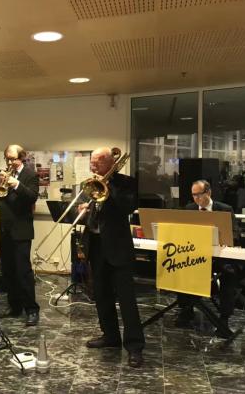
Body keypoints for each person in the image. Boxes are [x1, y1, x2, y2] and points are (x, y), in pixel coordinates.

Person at [78, 147, 145, 368]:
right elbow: (98, 214)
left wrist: (109, 185)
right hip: (96, 246)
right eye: (92, 161)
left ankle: (134, 346)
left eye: (97, 161)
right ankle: (110, 336)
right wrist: (86, 210)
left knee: (126, 299)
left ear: (110, 162)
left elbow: (128, 206)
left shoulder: (126, 182)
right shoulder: (91, 183)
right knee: (101, 295)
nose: (93, 165)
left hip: (118, 247)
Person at [176, 179, 240, 337]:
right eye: (194, 195)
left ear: (209, 192)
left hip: (218, 258)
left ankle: (224, 318)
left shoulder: (224, 209)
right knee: (178, 266)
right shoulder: (190, 209)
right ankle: (186, 309)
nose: (196, 198)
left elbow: (235, 233)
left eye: (199, 194)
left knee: (229, 274)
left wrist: (225, 240)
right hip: (196, 256)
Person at [0, 144, 40, 326]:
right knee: (8, 270)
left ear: (22, 158)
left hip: (21, 230)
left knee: (23, 271)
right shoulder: (0, 173)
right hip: (4, 229)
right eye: (7, 159)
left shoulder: (30, 175)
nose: (9, 162)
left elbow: (32, 197)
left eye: (13, 159)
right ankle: (14, 306)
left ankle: (31, 309)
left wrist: (16, 184)